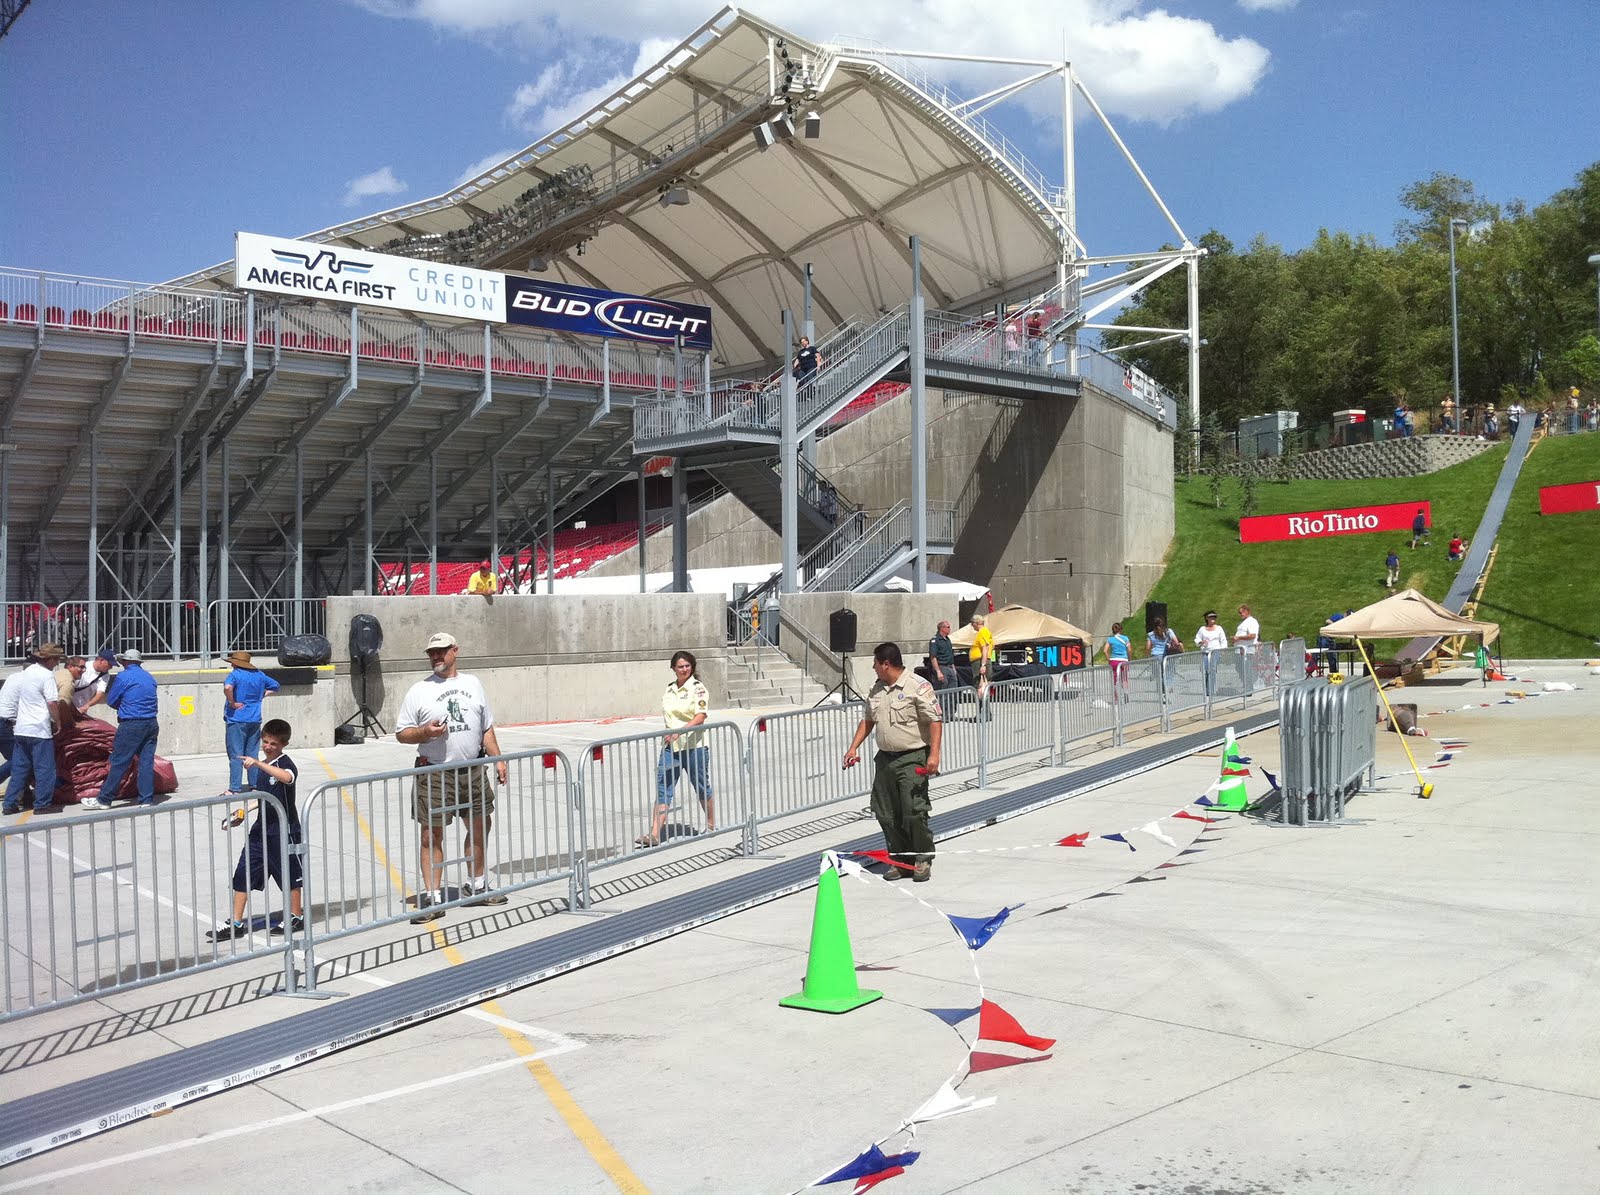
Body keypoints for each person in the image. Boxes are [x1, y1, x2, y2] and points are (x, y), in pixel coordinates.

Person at [394, 632, 510, 923]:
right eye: (431, 653)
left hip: (472, 770)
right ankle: (433, 899)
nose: (436, 656)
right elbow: (402, 733)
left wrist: (497, 759)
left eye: (442, 651)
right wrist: (425, 732)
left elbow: (486, 727)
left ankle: (478, 885)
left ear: (455, 651)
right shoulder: (419, 690)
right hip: (433, 772)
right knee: (430, 834)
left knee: (480, 825)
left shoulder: (473, 684)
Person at [843, 642, 943, 883]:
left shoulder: (917, 686)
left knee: (913, 809)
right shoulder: (876, 689)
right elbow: (869, 719)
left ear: (886, 663)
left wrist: (934, 755)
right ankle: (900, 860)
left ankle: (921, 858)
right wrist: (853, 747)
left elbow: (935, 720)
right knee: (885, 812)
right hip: (886, 759)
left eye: (876, 663)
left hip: (913, 757)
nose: (874, 667)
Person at [207, 719, 305, 942]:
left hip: (284, 831)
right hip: (261, 831)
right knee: (243, 874)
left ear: (284, 744)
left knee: (290, 875)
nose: (267, 747)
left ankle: (295, 916)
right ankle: (236, 923)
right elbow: (262, 799)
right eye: (265, 742)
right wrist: (241, 812)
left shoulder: (284, 764)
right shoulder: (264, 766)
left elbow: (288, 777)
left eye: (273, 744)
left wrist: (259, 764)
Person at [641, 650, 714, 847]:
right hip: (670, 747)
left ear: (692, 667)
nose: (684, 669)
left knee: (700, 786)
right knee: (663, 788)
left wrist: (680, 731)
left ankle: (710, 824)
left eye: (687, 666)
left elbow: (701, 716)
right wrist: (672, 734)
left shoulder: (698, 689)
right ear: (673, 668)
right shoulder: (670, 689)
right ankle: (655, 834)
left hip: (694, 747)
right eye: (680, 666)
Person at [81, 648, 160, 810]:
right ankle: (146, 799)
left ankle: (104, 799)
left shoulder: (124, 677)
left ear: (126, 661)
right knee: (146, 762)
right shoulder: (148, 677)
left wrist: (122, 706)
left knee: (119, 761)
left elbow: (112, 700)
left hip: (131, 723)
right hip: (151, 723)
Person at [2, 644, 64, 815]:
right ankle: (42, 804)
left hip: (21, 729)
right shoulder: (46, 675)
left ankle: (9, 804)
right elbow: (52, 702)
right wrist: (58, 722)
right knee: (44, 769)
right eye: (57, 659)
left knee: (19, 769)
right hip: (39, 730)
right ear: (50, 659)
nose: (57, 663)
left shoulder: (27, 672)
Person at [222, 649, 279, 797]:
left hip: (237, 719)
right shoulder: (259, 675)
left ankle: (234, 788)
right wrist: (261, 696)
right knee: (252, 754)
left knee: (236, 755)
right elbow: (275, 686)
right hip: (254, 719)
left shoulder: (235, 675)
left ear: (235, 663)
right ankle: (255, 785)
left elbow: (227, 687)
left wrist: (232, 702)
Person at [1193, 611, 1228, 695]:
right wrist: (1201, 642)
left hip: (1215, 652)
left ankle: (1210, 690)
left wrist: (1223, 650)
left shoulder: (1219, 628)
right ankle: (1206, 689)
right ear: (1207, 618)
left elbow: (1223, 640)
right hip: (1205, 652)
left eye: (1214, 617)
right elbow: (1197, 639)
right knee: (1205, 671)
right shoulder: (1202, 629)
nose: (1213, 619)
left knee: (1212, 670)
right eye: (1211, 617)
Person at [1232, 605, 1260, 693]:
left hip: (1247, 651)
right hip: (1240, 650)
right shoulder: (1244, 622)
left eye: (1241, 612)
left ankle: (1249, 689)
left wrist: (1239, 638)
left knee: (1246, 669)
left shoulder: (1252, 622)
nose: (1240, 614)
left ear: (1247, 611)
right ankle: (1246, 687)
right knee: (1239, 668)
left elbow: (1252, 635)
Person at [1102, 621, 1131, 700]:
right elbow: (1129, 650)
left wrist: (1109, 660)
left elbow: (1105, 650)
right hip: (1124, 660)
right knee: (1124, 678)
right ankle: (1126, 693)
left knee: (1114, 679)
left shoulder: (1110, 639)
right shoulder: (1125, 638)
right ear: (1121, 629)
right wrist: (1129, 659)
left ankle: (1116, 697)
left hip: (1114, 660)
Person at [927, 619, 957, 689]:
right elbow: (933, 657)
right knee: (943, 687)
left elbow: (950, 655)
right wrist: (938, 671)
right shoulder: (935, 640)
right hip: (941, 667)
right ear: (942, 629)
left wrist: (953, 668)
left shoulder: (947, 639)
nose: (950, 629)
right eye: (948, 627)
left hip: (950, 667)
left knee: (953, 688)